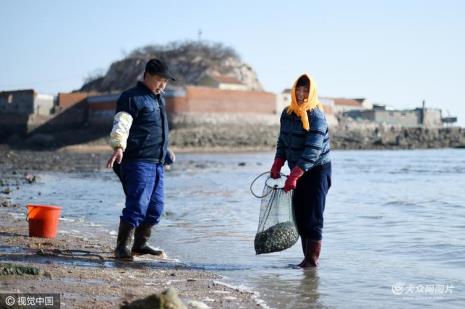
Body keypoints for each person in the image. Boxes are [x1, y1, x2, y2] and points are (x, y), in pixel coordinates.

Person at [106, 58, 175, 260]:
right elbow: (122, 123)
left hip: (156, 163)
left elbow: (153, 130)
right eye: (159, 79)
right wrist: (118, 146)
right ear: (147, 76)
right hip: (137, 162)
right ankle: (122, 248)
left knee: (155, 208)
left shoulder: (158, 99)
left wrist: (166, 152)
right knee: (136, 206)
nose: (162, 84)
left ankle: (140, 244)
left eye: (166, 81)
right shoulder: (131, 97)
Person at [270, 74, 332, 268]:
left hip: (317, 171)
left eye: (305, 90)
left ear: (311, 92)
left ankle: (312, 263)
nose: (301, 94)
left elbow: (313, 150)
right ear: (294, 91)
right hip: (297, 169)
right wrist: (278, 162)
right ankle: (306, 261)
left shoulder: (316, 115)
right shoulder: (287, 113)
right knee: (301, 216)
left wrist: (295, 175)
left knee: (313, 217)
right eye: (299, 89)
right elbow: (283, 140)